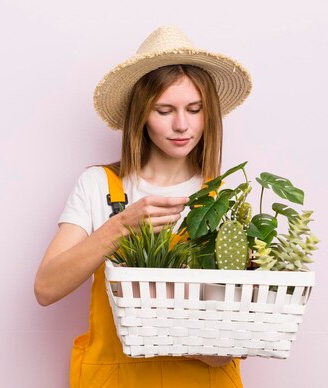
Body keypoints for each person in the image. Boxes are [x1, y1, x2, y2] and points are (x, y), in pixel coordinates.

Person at [34, 25, 252, 388]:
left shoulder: (221, 200)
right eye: (164, 110)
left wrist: (212, 343)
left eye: (194, 109)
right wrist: (119, 228)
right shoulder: (99, 186)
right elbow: (46, 288)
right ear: (141, 115)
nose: (182, 125)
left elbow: (226, 340)